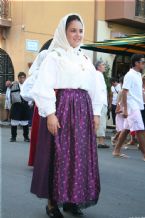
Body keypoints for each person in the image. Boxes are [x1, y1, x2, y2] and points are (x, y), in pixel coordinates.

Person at [29, 14, 101, 218]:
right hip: (62, 110)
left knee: (79, 157)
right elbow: (43, 86)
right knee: (59, 156)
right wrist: (50, 114)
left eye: (80, 30)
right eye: (73, 30)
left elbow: (94, 87)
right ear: (64, 32)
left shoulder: (85, 59)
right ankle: (52, 204)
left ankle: (72, 199)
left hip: (83, 112)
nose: (77, 34)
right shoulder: (55, 57)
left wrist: (95, 113)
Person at [113, 54, 145, 161]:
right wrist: (125, 109)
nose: (144, 64)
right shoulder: (130, 75)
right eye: (142, 62)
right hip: (132, 106)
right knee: (140, 129)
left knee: (126, 129)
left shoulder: (138, 75)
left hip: (136, 105)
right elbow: (124, 92)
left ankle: (116, 151)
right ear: (136, 63)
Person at [21, 49, 49, 166]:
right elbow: (25, 93)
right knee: (40, 134)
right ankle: (39, 161)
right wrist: (38, 95)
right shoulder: (37, 74)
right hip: (41, 108)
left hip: (56, 107)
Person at [10, 72, 30, 142]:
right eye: (20, 77)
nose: (22, 79)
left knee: (25, 123)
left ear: (25, 78)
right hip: (16, 106)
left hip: (25, 106)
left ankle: (26, 137)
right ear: (18, 78)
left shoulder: (28, 86)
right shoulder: (14, 85)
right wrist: (10, 83)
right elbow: (8, 85)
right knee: (14, 122)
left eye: (23, 77)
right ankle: (13, 137)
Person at [95, 61, 109, 148]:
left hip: (102, 102)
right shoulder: (98, 74)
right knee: (101, 122)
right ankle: (100, 142)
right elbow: (99, 90)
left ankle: (101, 141)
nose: (104, 66)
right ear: (98, 67)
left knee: (102, 122)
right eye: (103, 65)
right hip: (101, 102)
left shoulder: (99, 75)